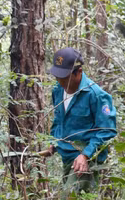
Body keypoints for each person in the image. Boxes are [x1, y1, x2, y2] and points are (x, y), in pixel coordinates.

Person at [44, 47, 117, 191]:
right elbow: (59, 120)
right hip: (66, 154)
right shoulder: (57, 90)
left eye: (65, 77)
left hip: (86, 157)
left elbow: (107, 131)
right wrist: (53, 141)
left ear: (79, 72)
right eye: (57, 77)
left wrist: (85, 155)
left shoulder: (96, 95)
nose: (60, 81)